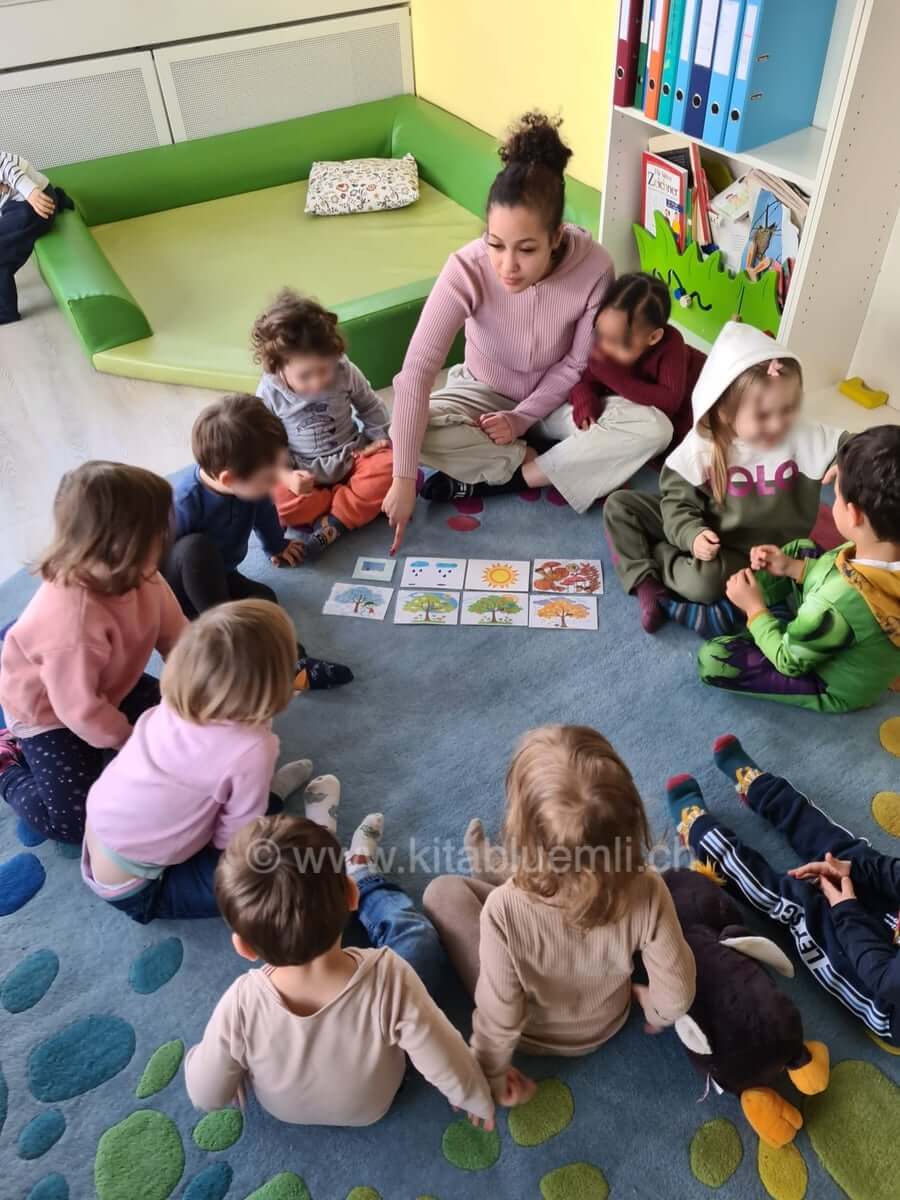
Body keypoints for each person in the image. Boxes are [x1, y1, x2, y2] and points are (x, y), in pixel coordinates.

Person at [384, 112, 671, 548]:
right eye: (495, 244)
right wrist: (404, 478)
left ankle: (517, 475)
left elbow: (578, 363)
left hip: (554, 405)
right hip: (480, 396)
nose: (507, 266)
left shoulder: (595, 265)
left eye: (527, 249)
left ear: (556, 236)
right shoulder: (465, 268)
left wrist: (522, 418)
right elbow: (417, 372)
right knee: (406, 427)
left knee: (653, 428)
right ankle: (541, 464)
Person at [423, 725, 696, 1106]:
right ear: (632, 818)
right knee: (537, 893)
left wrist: (492, 1071)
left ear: (519, 830)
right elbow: (678, 990)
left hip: (533, 1035)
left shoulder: (502, 911)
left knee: (442, 892)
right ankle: (499, 870)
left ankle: (499, 870)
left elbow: (498, 1011)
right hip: (608, 1021)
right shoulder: (648, 889)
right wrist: (657, 1010)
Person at [184, 813, 495, 1129]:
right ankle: (362, 871)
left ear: (244, 948)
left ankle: (336, 857)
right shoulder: (390, 977)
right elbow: (445, 1056)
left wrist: (218, 1064)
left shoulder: (241, 1003)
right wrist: (475, 1096)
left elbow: (205, 1095)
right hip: (376, 1102)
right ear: (351, 896)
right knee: (416, 941)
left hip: (285, 1110)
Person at [82, 600, 333, 922]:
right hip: (142, 889)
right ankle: (269, 798)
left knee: (228, 796)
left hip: (100, 834)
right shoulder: (254, 748)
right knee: (266, 876)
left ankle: (264, 796)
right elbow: (234, 838)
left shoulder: (172, 704)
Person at [603, 321, 845, 635]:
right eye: (763, 416)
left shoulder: (805, 435)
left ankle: (659, 552)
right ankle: (647, 581)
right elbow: (677, 506)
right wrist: (691, 535)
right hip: (711, 533)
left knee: (703, 585)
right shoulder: (701, 449)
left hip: (754, 554)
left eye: (789, 409)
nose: (779, 423)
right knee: (620, 505)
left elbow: (861, 447)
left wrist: (847, 461)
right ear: (724, 413)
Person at [668, 734, 900, 1048]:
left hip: (884, 991)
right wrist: (852, 870)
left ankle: (701, 834)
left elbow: (881, 976)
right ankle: (759, 787)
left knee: (798, 908)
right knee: (845, 854)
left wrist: (845, 910)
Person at [0, 462, 186, 842]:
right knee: (75, 823)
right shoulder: (71, 623)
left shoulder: (143, 573)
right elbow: (80, 711)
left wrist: (199, 684)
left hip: (113, 682)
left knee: (185, 726)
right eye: (158, 530)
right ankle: (7, 769)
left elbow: (178, 638)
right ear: (122, 544)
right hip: (50, 713)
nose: (168, 534)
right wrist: (127, 741)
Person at [698, 424, 900, 712]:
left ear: (853, 515)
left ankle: (747, 615)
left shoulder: (836, 605)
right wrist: (793, 568)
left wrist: (756, 611)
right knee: (799, 550)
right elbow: (835, 571)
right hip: (847, 622)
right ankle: (764, 614)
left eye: (837, 494)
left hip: (829, 681)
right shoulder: (881, 546)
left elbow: (788, 662)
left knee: (714, 659)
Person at [162, 393, 351, 690]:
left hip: (220, 576)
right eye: (270, 475)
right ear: (228, 479)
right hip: (177, 594)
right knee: (195, 548)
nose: (276, 481)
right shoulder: (183, 502)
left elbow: (265, 514)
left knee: (264, 601)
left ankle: (293, 666)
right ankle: (225, 637)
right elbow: (153, 563)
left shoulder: (252, 486)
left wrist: (277, 546)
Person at [253, 289, 393, 557]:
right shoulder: (269, 391)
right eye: (305, 376)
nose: (317, 382)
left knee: (391, 467)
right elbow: (263, 443)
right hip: (302, 472)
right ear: (277, 367)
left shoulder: (344, 370)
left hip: (352, 456)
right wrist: (286, 476)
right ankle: (338, 506)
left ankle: (335, 520)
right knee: (271, 499)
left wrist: (379, 440)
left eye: (324, 370)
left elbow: (370, 405)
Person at [570, 272, 705, 450]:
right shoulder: (603, 348)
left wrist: (611, 376)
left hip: (696, 401)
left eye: (616, 342)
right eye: (600, 334)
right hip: (645, 410)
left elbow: (670, 401)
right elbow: (585, 382)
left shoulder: (671, 343)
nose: (604, 348)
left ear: (653, 337)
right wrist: (585, 406)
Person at [0, 150, 72, 325]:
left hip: (33, 204)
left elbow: (7, 166)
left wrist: (30, 192)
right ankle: (57, 200)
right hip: (19, 203)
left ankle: (5, 311)